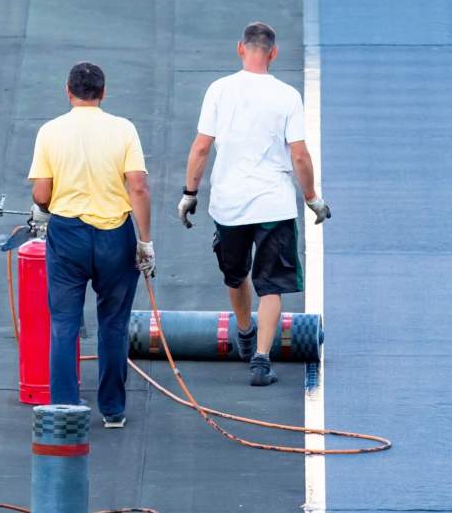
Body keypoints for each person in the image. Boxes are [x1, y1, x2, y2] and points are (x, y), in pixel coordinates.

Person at [178, 22, 330, 386]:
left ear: (240, 49)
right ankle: (262, 358)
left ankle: (245, 332)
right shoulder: (288, 96)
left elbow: (201, 147)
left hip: (229, 204)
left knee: (235, 273)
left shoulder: (219, 90)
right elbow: (300, 156)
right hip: (274, 205)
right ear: (274, 53)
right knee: (272, 285)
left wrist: (189, 193)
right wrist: (312, 198)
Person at [28, 62, 154, 427]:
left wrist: (44, 209)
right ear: (103, 92)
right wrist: (145, 242)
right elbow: (139, 187)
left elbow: (41, 192)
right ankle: (113, 410)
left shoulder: (50, 132)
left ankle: (66, 411)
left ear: (68, 91)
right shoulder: (123, 129)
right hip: (115, 234)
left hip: (68, 235)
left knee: (64, 324)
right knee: (114, 325)